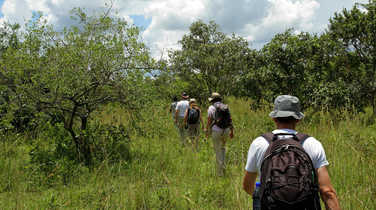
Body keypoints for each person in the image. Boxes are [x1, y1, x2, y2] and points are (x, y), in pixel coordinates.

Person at [242, 95, 341, 210]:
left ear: (274, 118)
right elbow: (327, 191)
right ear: (298, 119)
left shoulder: (259, 143)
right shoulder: (312, 144)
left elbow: (247, 186)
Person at [205, 92, 234, 176]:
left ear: (212, 100)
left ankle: (220, 173)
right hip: (226, 130)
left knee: (217, 151)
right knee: (223, 149)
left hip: (216, 131)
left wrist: (207, 131)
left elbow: (209, 120)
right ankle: (223, 168)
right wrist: (232, 131)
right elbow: (230, 119)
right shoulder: (225, 106)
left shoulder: (211, 108)